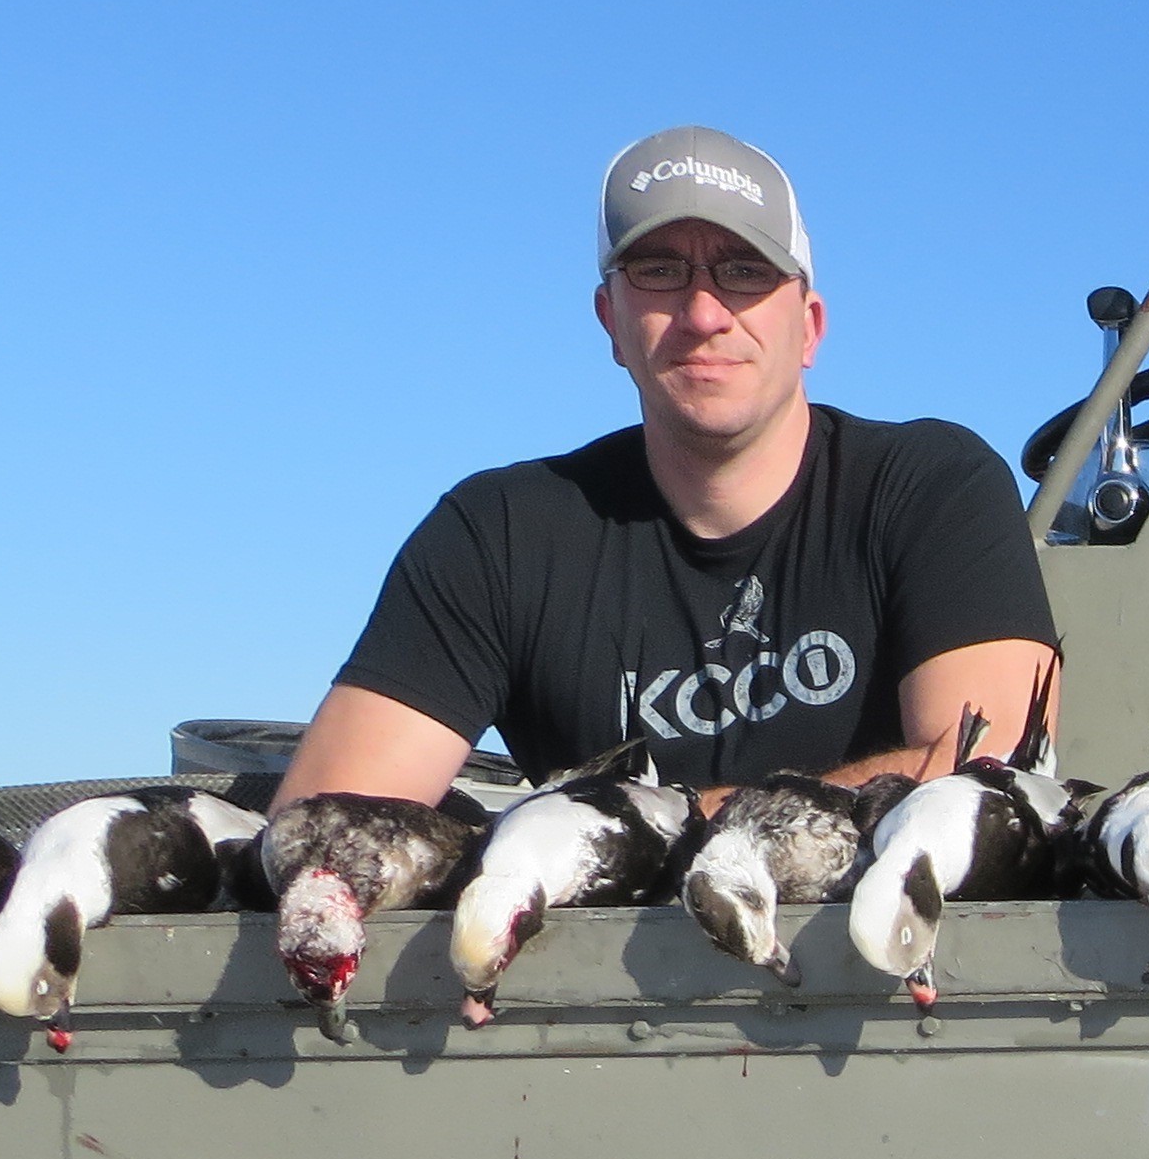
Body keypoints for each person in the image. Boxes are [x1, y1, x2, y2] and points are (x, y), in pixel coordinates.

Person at [276, 127, 1059, 813]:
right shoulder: (501, 536)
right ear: (610, 320)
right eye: (657, 271)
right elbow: (327, 825)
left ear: (810, 325)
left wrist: (625, 833)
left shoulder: (932, 488)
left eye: (746, 271)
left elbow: (987, 779)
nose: (704, 313)